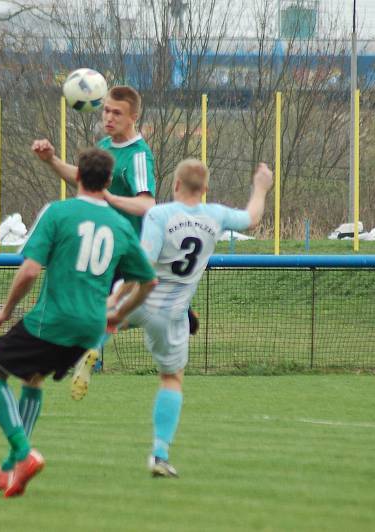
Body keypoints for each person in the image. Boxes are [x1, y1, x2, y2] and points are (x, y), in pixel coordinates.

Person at [0, 147, 158, 497]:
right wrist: (118, 312)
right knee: (33, 378)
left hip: (54, 320)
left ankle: (22, 453)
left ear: (77, 177)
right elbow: (147, 280)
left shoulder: (58, 213)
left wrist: (6, 310)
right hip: (90, 329)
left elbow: (29, 270)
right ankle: (11, 471)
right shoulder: (121, 225)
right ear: (107, 182)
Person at [108, 159, 273, 477]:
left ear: (175, 186)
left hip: (139, 300)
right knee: (171, 379)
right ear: (205, 190)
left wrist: (117, 297)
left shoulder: (160, 214)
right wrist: (261, 186)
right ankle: (159, 454)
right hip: (171, 314)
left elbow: (142, 263)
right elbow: (252, 218)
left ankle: (96, 339)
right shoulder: (216, 215)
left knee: (111, 313)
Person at [33, 86, 198, 398]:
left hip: (128, 248)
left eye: (116, 112)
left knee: (106, 307)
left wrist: (109, 197)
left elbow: (147, 204)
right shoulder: (105, 146)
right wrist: (52, 160)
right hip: (105, 246)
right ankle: (90, 349)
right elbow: (84, 177)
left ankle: (87, 348)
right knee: (100, 307)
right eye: (106, 110)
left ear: (133, 118)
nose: (108, 117)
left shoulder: (138, 155)